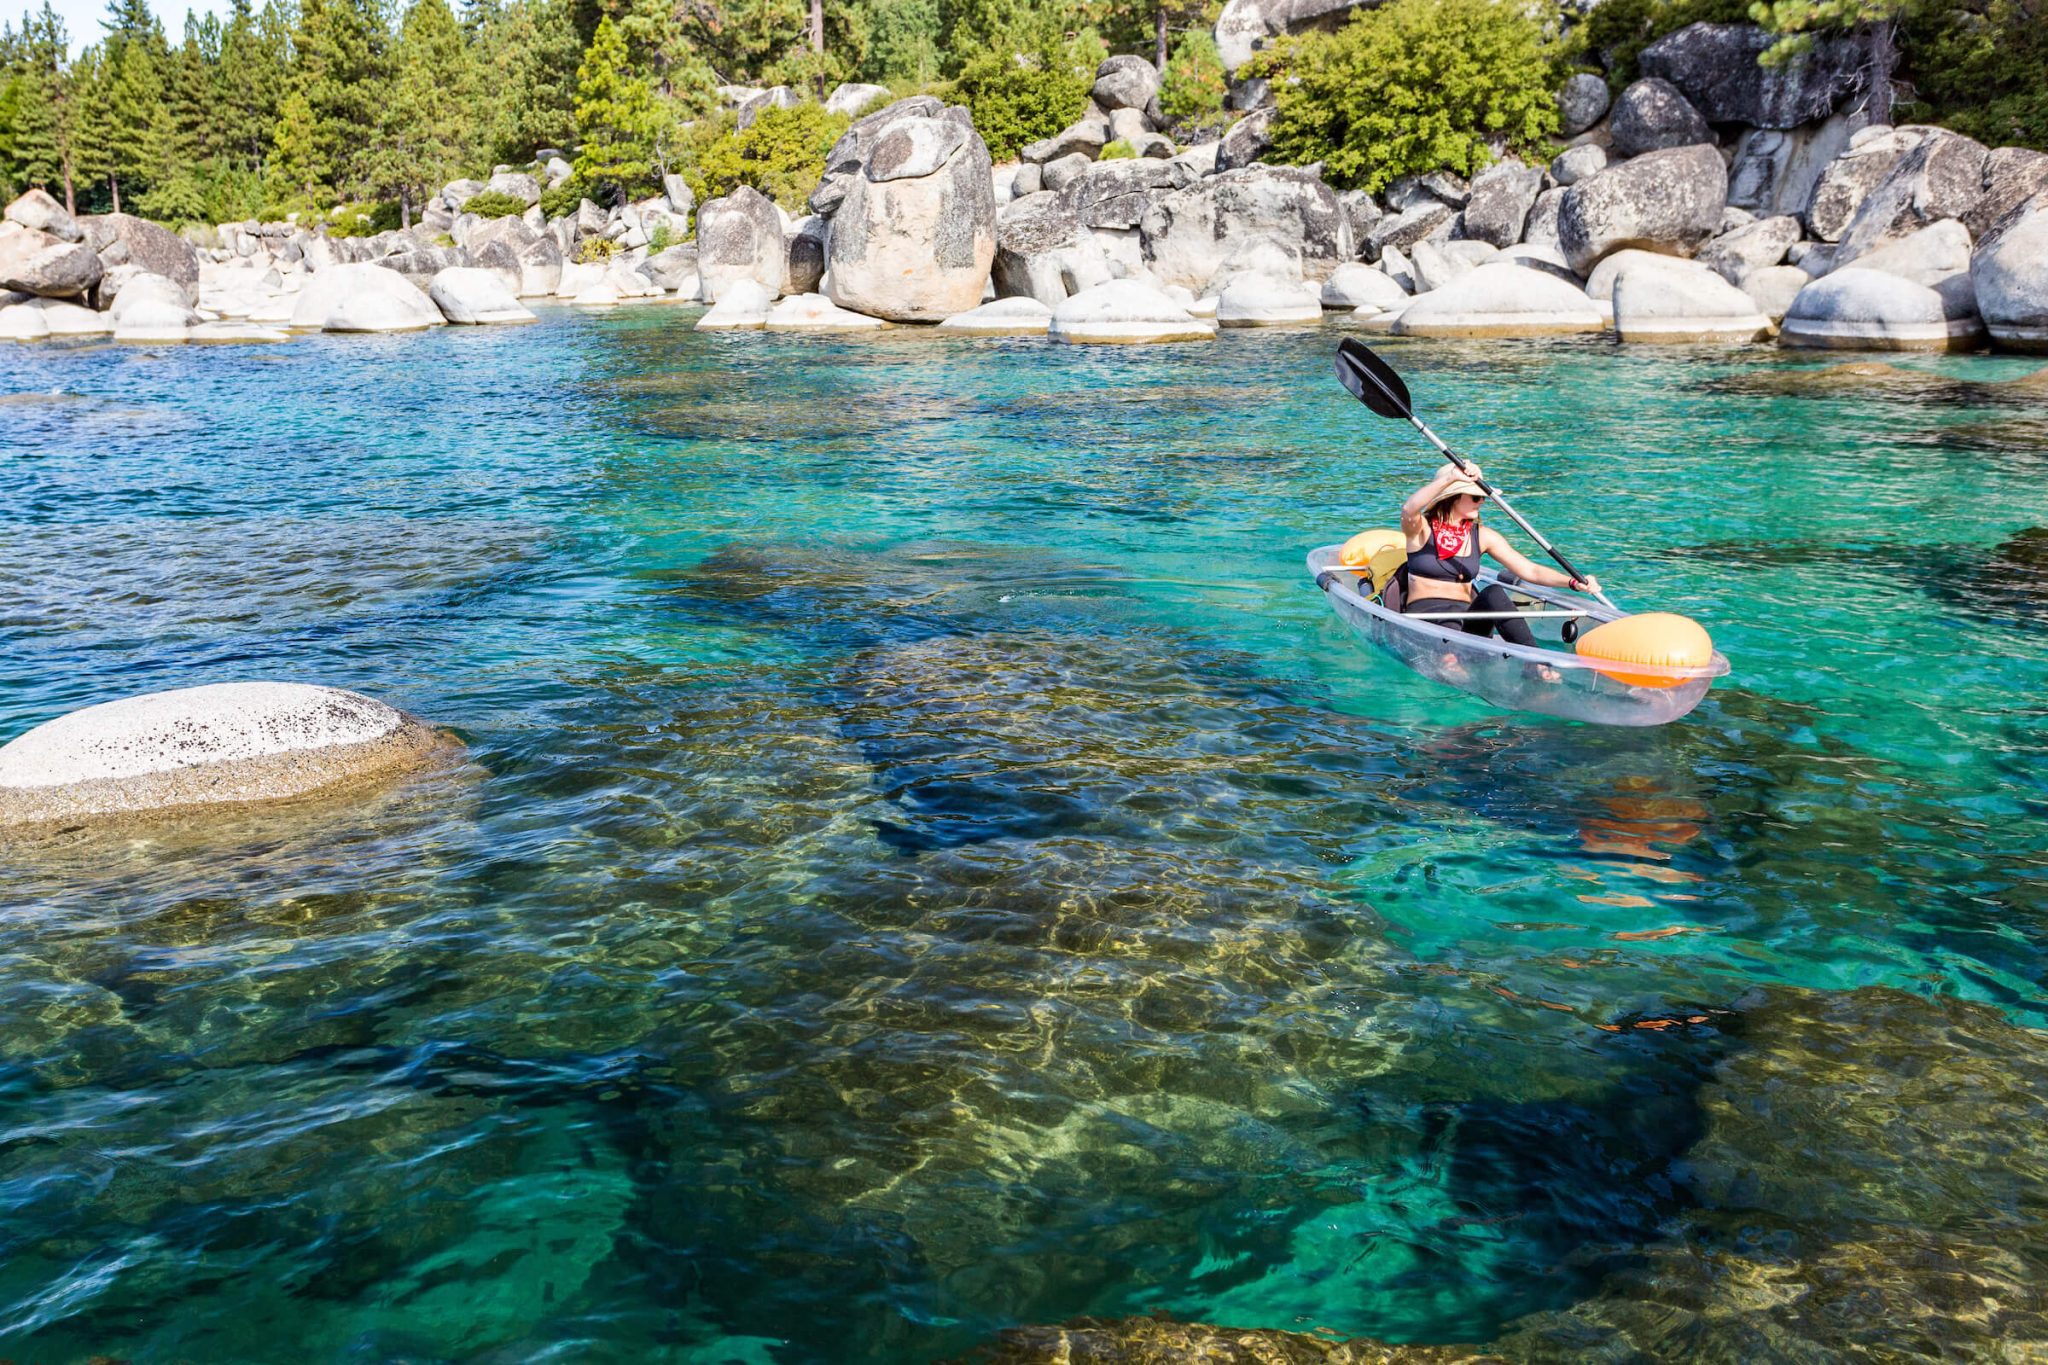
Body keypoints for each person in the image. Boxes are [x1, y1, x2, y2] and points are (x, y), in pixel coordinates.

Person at [1399, 462, 1599, 647]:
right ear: (1452, 498)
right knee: (1451, 652)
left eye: (1483, 498)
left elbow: (1531, 570)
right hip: (1425, 618)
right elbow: (1409, 509)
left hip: (1467, 619)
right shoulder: (1421, 531)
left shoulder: (1483, 537)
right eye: (1476, 497)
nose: (1482, 502)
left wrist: (1573, 583)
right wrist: (1451, 478)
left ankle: (1536, 663)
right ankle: (1452, 659)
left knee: (1493, 592)